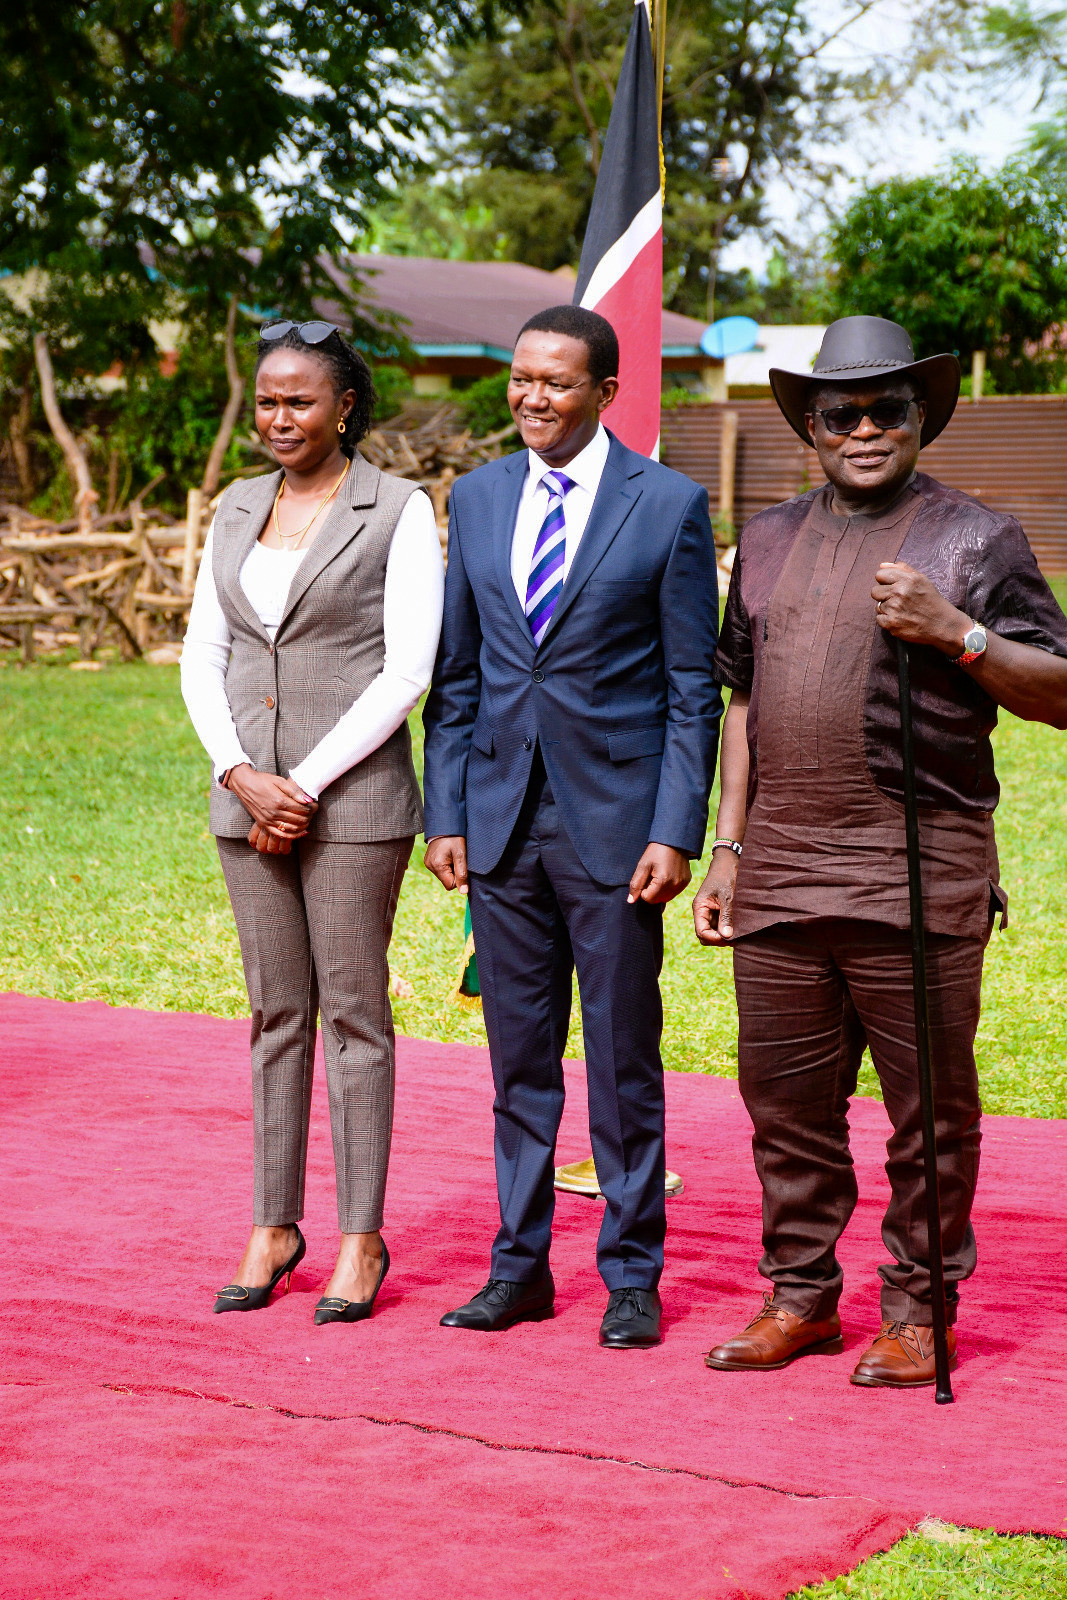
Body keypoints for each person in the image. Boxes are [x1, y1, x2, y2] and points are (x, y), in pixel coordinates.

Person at [694, 315, 1067, 1386]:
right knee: (784, 1104)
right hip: (777, 869)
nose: (862, 428)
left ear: (920, 418)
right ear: (809, 427)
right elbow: (740, 697)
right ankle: (801, 1297)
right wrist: (727, 845)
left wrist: (956, 631)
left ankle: (916, 1309)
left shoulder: (976, 538)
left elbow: (1057, 689)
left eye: (884, 410)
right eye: (838, 413)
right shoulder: (761, 540)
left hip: (919, 867)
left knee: (928, 1116)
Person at [422, 305, 721, 1349]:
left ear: (604, 391)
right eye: (518, 379)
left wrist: (675, 829)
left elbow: (694, 689)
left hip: (616, 826)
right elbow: (455, 677)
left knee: (621, 1057)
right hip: (500, 822)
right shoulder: (477, 495)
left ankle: (631, 1271)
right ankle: (520, 1266)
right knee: (517, 1061)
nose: (530, 398)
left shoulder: (668, 506)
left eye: (554, 382)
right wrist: (445, 810)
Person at [181, 319, 443, 1324]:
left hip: (356, 805)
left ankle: (359, 1234)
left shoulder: (398, 509)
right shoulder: (236, 505)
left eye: (301, 400)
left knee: (353, 1014)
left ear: (344, 407)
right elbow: (203, 653)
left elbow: (407, 669)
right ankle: (273, 1222)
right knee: (273, 1013)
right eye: (268, 400)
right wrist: (241, 771)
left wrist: (306, 783)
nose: (280, 417)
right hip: (242, 797)